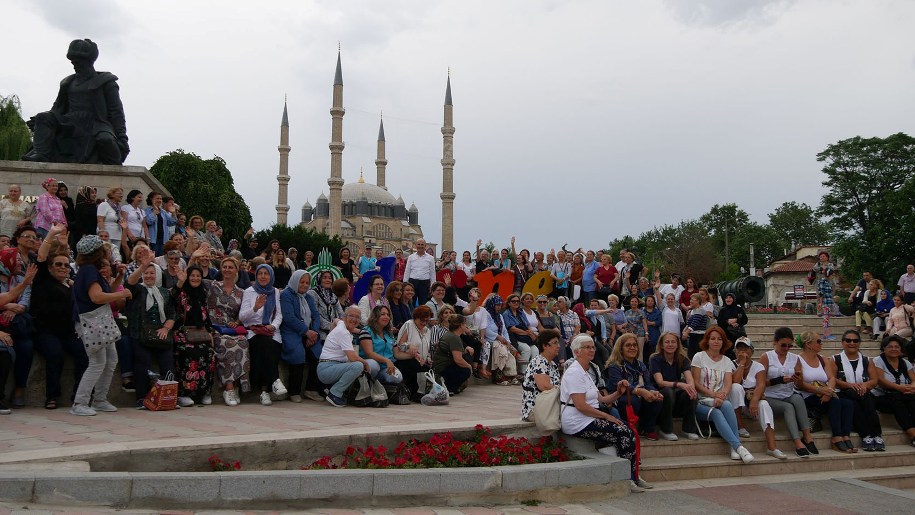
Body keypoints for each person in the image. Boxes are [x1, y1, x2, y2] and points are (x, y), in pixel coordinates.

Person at [561, 333, 644, 493]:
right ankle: (628, 478)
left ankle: (632, 475)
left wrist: (619, 392)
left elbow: (601, 399)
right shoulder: (574, 373)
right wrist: (607, 416)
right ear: (577, 351)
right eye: (587, 347)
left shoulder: (586, 370)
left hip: (588, 418)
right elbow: (581, 406)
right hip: (577, 422)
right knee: (624, 432)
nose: (592, 350)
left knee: (628, 431)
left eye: (592, 347)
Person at [23, 39, 128, 164]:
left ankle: (113, 164)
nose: (75, 65)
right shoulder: (67, 83)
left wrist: (122, 137)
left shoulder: (107, 82)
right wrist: (42, 119)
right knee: (43, 117)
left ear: (89, 62)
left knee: (105, 140)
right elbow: (57, 108)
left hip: (96, 123)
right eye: (73, 62)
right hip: (70, 121)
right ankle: (41, 154)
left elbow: (116, 112)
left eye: (78, 62)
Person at [70, 235, 132, 415]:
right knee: (97, 362)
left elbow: (108, 291)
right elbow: (96, 297)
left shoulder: (91, 270)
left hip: (99, 321)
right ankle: (79, 403)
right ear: (98, 252)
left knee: (111, 359)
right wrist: (123, 295)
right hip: (91, 321)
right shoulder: (89, 270)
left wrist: (120, 276)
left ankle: (100, 399)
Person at [29, 223, 84, 410]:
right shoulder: (43, 280)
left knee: (84, 353)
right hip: (45, 332)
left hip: (68, 332)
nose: (62, 267)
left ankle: (80, 395)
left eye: (66, 265)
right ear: (51, 268)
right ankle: (52, 396)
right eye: (58, 264)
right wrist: (51, 234)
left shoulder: (70, 285)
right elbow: (43, 257)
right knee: (55, 354)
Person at [691, 326, 754, 463]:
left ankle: (734, 448)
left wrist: (722, 395)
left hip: (719, 400)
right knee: (717, 413)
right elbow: (696, 383)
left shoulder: (726, 360)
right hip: (701, 401)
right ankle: (739, 446)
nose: (716, 341)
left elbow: (728, 383)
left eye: (719, 339)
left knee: (726, 405)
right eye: (713, 338)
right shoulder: (699, 357)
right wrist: (714, 395)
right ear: (707, 341)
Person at [755, 327, 817, 457]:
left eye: (790, 345)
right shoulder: (766, 357)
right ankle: (797, 442)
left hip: (788, 393)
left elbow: (799, 385)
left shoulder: (795, 358)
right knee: (788, 407)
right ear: (775, 342)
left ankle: (807, 436)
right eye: (783, 345)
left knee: (798, 399)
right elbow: (760, 382)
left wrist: (797, 378)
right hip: (770, 396)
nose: (786, 348)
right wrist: (778, 380)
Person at [125, 259, 176, 408]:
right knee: (142, 363)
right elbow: (130, 283)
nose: (148, 276)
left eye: (151, 273)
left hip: (161, 333)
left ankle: (170, 397)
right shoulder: (138, 290)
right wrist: (142, 266)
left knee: (168, 364)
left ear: (157, 275)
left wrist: (166, 328)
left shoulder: (165, 292)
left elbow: (172, 314)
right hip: (140, 334)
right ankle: (141, 398)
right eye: (146, 273)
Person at [795, 330, 856, 453]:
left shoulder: (822, 359)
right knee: (836, 402)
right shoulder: (798, 360)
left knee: (848, 404)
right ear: (808, 344)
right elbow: (800, 384)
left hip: (824, 394)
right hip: (807, 396)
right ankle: (836, 437)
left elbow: (832, 378)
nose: (821, 343)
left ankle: (845, 436)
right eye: (818, 341)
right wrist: (823, 391)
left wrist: (829, 391)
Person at [239, 264, 287, 406]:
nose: (263, 276)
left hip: (271, 330)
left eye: (266, 273)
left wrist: (273, 326)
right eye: (260, 273)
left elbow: (278, 314)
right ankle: (274, 381)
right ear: (256, 275)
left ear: (271, 275)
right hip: (254, 331)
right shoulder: (249, 291)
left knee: (269, 348)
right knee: (265, 344)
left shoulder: (275, 292)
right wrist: (255, 308)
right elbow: (242, 317)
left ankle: (264, 392)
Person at [733, 336, 787, 459]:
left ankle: (772, 447)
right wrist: (741, 363)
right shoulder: (730, 363)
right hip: (735, 406)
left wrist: (755, 400)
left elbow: (761, 384)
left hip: (751, 404)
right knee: (736, 387)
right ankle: (740, 426)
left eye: (746, 348)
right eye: (739, 349)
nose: (742, 351)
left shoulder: (758, 366)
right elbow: (735, 381)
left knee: (764, 405)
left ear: (752, 351)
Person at [206, 256, 250, 406]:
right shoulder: (213, 286)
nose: (227, 270)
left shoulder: (241, 292)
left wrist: (236, 322)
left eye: (231, 267)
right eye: (225, 267)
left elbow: (243, 314)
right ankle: (229, 388)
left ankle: (236, 386)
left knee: (243, 343)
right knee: (228, 344)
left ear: (236, 270)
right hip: (216, 328)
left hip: (232, 329)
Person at [832, 329, 884, 451]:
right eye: (848, 340)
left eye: (855, 340)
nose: (852, 343)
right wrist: (850, 385)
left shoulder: (867, 360)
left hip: (863, 392)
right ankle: (866, 435)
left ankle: (876, 434)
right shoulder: (835, 359)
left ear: (859, 343)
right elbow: (833, 379)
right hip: (845, 392)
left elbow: (874, 380)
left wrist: (864, 386)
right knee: (853, 404)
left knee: (868, 402)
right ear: (843, 342)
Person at [606, 333, 664, 441]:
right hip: (618, 396)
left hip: (640, 394)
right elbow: (619, 386)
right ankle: (628, 429)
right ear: (621, 349)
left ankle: (647, 429)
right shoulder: (615, 365)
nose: (632, 348)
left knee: (657, 399)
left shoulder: (641, 365)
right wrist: (640, 391)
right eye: (628, 345)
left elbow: (648, 383)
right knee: (631, 400)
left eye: (634, 345)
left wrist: (654, 392)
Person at [172, 266, 216, 407]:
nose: (195, 278)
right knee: (189, 352)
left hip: (201, 332)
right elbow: (173, 296)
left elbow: (207, 317)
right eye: (192, 276)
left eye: (198, 276)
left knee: (209, 352)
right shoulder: (182, 293)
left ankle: (205, 392)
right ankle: (184, 393)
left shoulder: (203, 294)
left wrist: (210, 333)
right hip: (183, 332)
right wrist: (180, 282)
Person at [280, 269, 322, 402]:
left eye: (307, 283)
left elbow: (315, 315)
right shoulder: (286, 295)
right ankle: (294, 391)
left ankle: (311, 389)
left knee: (318, 354)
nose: (304, 285)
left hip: (309, 333)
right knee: (297, 354)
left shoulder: (307, 297)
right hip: (291, 331)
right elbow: (289, 317)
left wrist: (313, 333)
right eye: (301, 282)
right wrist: (306, 331)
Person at [649, 332, 699, 441]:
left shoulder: (682, 359)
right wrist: (679, 384)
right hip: (660, 395)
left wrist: (691, 388)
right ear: (661, 345)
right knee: (668, 391)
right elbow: (660, 382)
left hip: (675, 397)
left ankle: (688, 429)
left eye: (673, 342)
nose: (670, 344)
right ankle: (665, 430)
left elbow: (689, 378)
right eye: (667, 342)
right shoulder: (655, 359)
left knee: (690, 392)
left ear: (677, 344)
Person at [317, 306, 370, 407]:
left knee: (355, 365)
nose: (354, 319)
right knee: (358, 366)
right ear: (345, 317)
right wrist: (365, 363)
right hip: (327, 369)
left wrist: (331, 333)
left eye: (357, 317)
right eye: (351, 316)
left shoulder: (341, 325)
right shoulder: (344, 333)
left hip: (329, 366)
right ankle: (334, 394)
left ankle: (332, 388)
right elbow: (352, 358)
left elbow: (335, 320)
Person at [873, 335, 915, 447]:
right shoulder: (877, 361)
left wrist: (911, 387)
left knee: (912, 402)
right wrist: (899, 388)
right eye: (890, 346)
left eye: (897, 347)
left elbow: (913, 380)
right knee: (897, 402)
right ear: (884, 348)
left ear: (901, 349)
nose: (894, 349)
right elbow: (880, 380)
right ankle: (912, 435)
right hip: (883, 397)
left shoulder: (905, 363)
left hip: (904, 394)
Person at [521, 329, 561, 421]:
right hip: (536, 409)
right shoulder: (539, 361)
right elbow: (545, 386)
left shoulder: (552, 364)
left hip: (549, 406)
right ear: (545, 346)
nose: (558, 346)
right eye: (555, 343)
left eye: (558, 343)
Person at [359, 305, 404, 387]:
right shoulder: (366, 331)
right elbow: (369, 353)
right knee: (373, 365)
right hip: (369, 365)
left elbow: (397, 354)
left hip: (385, 368)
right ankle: (367, 386)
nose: (386, 317)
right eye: (383, 314)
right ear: (375, 316)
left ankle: (378, 386)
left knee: (397, 378)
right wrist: (387, 361)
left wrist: (414, 355)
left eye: (388, 315)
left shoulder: (389, 334)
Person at [432, 313, 474, 395]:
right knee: (466, 371)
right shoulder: (454, 338)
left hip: (441, 366)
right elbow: (458, 360)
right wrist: (469, 367)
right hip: (442, 368)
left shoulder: (451, 335)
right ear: (460, 325)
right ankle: (450, 387)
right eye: (464, 324)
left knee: (467, 357)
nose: (466, 326)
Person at [482, 294, 518, 385]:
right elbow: (485, 329)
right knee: (501, 350)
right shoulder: (486, 314)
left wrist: (508, 342)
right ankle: (498, 376)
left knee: (511, 351)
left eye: (500, 305)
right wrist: (498, 337)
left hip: (501, 339)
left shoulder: (499, 316)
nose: (499, 307)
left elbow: (504, 331)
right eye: (497, 305)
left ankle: (510, 375)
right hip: (490, 339)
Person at [503, 293, 538, 376]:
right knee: (526, 349)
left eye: (517, 301)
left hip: (525, 337)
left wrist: (532, 333)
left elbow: (528, 325)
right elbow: (511, 328)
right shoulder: (506, 313)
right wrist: (527, 333)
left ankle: (533, 373)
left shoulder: (521, 312)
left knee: (535, 350)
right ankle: (522, 373)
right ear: (509, 303)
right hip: (515, 338)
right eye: (513, 301)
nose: (516, 303)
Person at [404, 239, 435, 305]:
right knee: (410, 303)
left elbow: (432, 273)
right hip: (412, 282)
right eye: (418, 244)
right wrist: (405, 284)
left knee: (423, 303)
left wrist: (432, 286)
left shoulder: (431, 258)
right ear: (416, 245)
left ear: (425, 246)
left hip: (424, 283)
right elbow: (407, 271)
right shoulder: (411, 257)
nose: (420, 246)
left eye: (422, 245)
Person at [144, 192, 175, 256]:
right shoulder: (147, 210)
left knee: (161, 257)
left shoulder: (163, 211)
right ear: (151, 199)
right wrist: (155, 211)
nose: (159, 200)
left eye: (160, 199)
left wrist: (173, 213)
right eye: (157, 198)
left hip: (163, 239)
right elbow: (149, 221)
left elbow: (171, 222)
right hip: (153, 240)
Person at [682, 294, 708, 358]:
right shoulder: (692, 311)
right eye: (690, 299)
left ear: (698, 301)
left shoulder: (700, 310)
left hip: (699, 337)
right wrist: (684, 330)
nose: (691, 301)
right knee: (691, 355)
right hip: (693, 336)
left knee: (697, 355)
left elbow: (694, 324)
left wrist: (686, 333)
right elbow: (688, 323)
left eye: (693, 300)